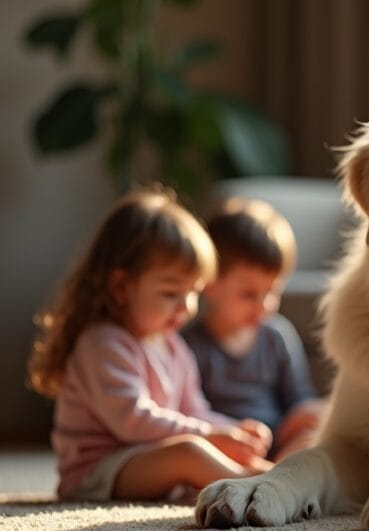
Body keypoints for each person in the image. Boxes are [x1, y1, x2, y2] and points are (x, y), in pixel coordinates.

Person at [29, 188, 273, 502]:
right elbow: (134, 420)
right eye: (171, 293)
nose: (188, 307)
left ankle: (276, 476)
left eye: (194, 291)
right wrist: (211, 435)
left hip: (146, 458)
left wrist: (234, 431)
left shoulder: (173, 347)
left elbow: (195, 411)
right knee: (190, 451)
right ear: (121, 286)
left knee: (207, 447)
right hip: (98, 473)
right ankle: (255, 485)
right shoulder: (102, 342)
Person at [181, 197, 324, 461]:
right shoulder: (190, 345)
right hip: (224, 446)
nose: (264, 305)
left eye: (272, 291)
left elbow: (299, 399)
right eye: (248, 294)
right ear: (210, 284)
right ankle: (266, 477)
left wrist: (308, 413)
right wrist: (231, 434)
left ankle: (277, 476)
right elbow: (188, 414)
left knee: (321, 426)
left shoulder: (277, 335)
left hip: (279, 444)